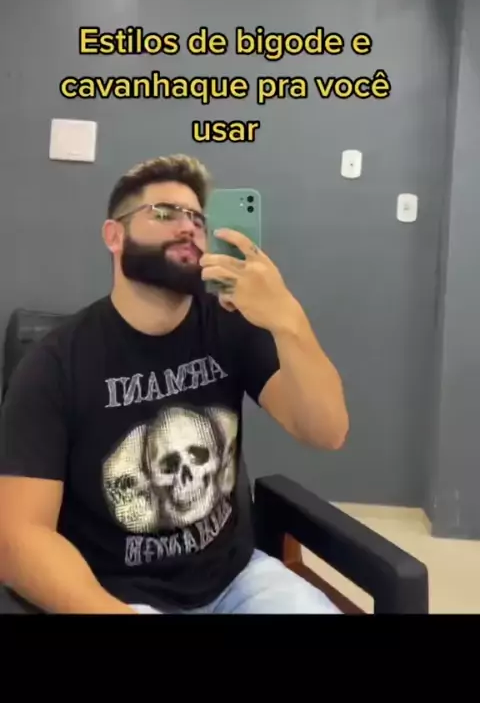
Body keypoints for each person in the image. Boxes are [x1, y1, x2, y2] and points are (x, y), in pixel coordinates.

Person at [0, 154, 349, 615]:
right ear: (114, 235)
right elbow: (19, 535)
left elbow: (327, 431)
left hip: (237, 579)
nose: (188, 227)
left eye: (198, 219)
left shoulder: (229, 325)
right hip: (116, 596)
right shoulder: (55, 364)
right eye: (164, 213)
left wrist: (288, 320)